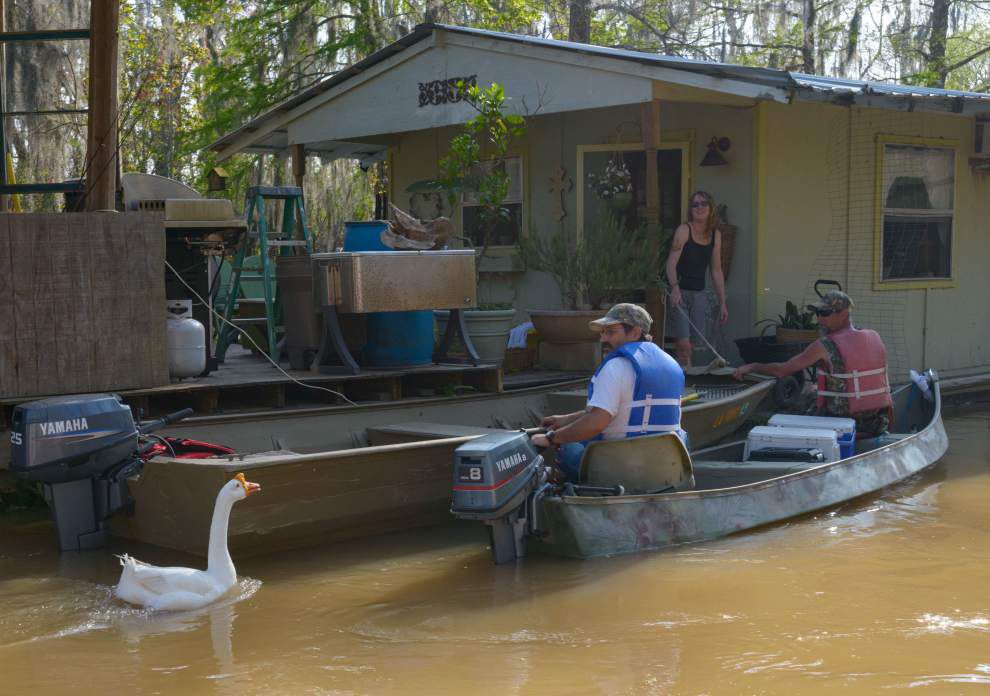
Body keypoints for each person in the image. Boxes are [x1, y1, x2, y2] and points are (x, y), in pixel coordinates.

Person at [531, 303, 685, 482]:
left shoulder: (615, 367)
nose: (603, 339)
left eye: (611, 332)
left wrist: (551, 438)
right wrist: (565, 420)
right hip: (666, 468)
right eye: (602, 332)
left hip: (622, 466)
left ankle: (580, 495)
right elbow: (619, 409)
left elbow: (596, 422)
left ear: (635, 332)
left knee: (567, 447)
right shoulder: (671, 364)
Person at [733, 291, 893, 437]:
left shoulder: (825, 345)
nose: (819, 318)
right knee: (816, 388)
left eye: (825, 313)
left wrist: (752, 366)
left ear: (844, 314)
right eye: (817, 313)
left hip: (843, 421)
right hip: (876, 421)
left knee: (806, 397)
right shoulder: (874, 336)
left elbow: (781, 370)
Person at [664, 190, 729, 367]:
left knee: (696, 344)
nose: (699, 207)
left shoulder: (716, 235)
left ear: (711, 208)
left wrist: (722, 302)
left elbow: (716, 270)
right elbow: (670, 264)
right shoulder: (684, 230)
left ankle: (690, 377)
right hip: (680, 293)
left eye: (703, 203)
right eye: (695, 204)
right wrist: (675, 288)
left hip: (699, 293)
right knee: (683, 343)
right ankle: (680, 382)